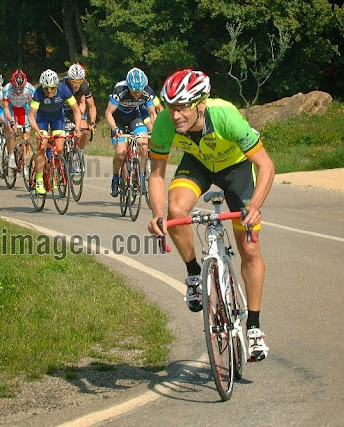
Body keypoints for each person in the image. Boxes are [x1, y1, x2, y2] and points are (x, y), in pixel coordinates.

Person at [147, 69, 275, 362]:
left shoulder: (225, 116)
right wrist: (156, 214)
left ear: (200, 104)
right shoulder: (165, 123)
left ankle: (254, 328)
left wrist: (253, 207)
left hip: (236, 169)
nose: (176, 115)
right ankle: (194, 274)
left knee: (250, 248)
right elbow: (156, 174)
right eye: (171, 107)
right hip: (199, 164)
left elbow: (266, 166)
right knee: (175, 209)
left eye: (182, 107)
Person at [105, 67, 162, 197]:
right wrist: (115, 129)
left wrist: (156, 131)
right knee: (120, 154)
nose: (137, 94)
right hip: (118, 120)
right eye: (134, 91)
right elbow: (108, 113)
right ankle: (115, 179)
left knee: (143, 144)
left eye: (139, 92)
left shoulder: (147, 91)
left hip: (134, 118)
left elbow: (153, 113)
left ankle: (141, 176)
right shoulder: (120, 90)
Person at [28, 69, 81, 195]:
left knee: (59, 146)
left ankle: (55, 172)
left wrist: (77, 128)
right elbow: (31, 116)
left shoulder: (64, 90)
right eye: (46, 88)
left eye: (52, 88)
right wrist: (37, 131)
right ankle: (39, 179)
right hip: (42, 119)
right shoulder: (39, 93)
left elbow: (76, 110)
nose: (49, 91)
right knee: (42, 146)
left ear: (56, 86)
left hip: (58, 118)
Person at [62, 63, 96, 151]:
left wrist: (92, 123)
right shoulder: (62, 85)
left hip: (72, 110)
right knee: (59, 136)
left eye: (79, 82)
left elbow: (91, 106)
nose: (76, 85)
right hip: (59, 109)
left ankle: (79, 152)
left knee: (84, 130)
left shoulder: (84, 86)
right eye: (74, 82)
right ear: (69, 79)